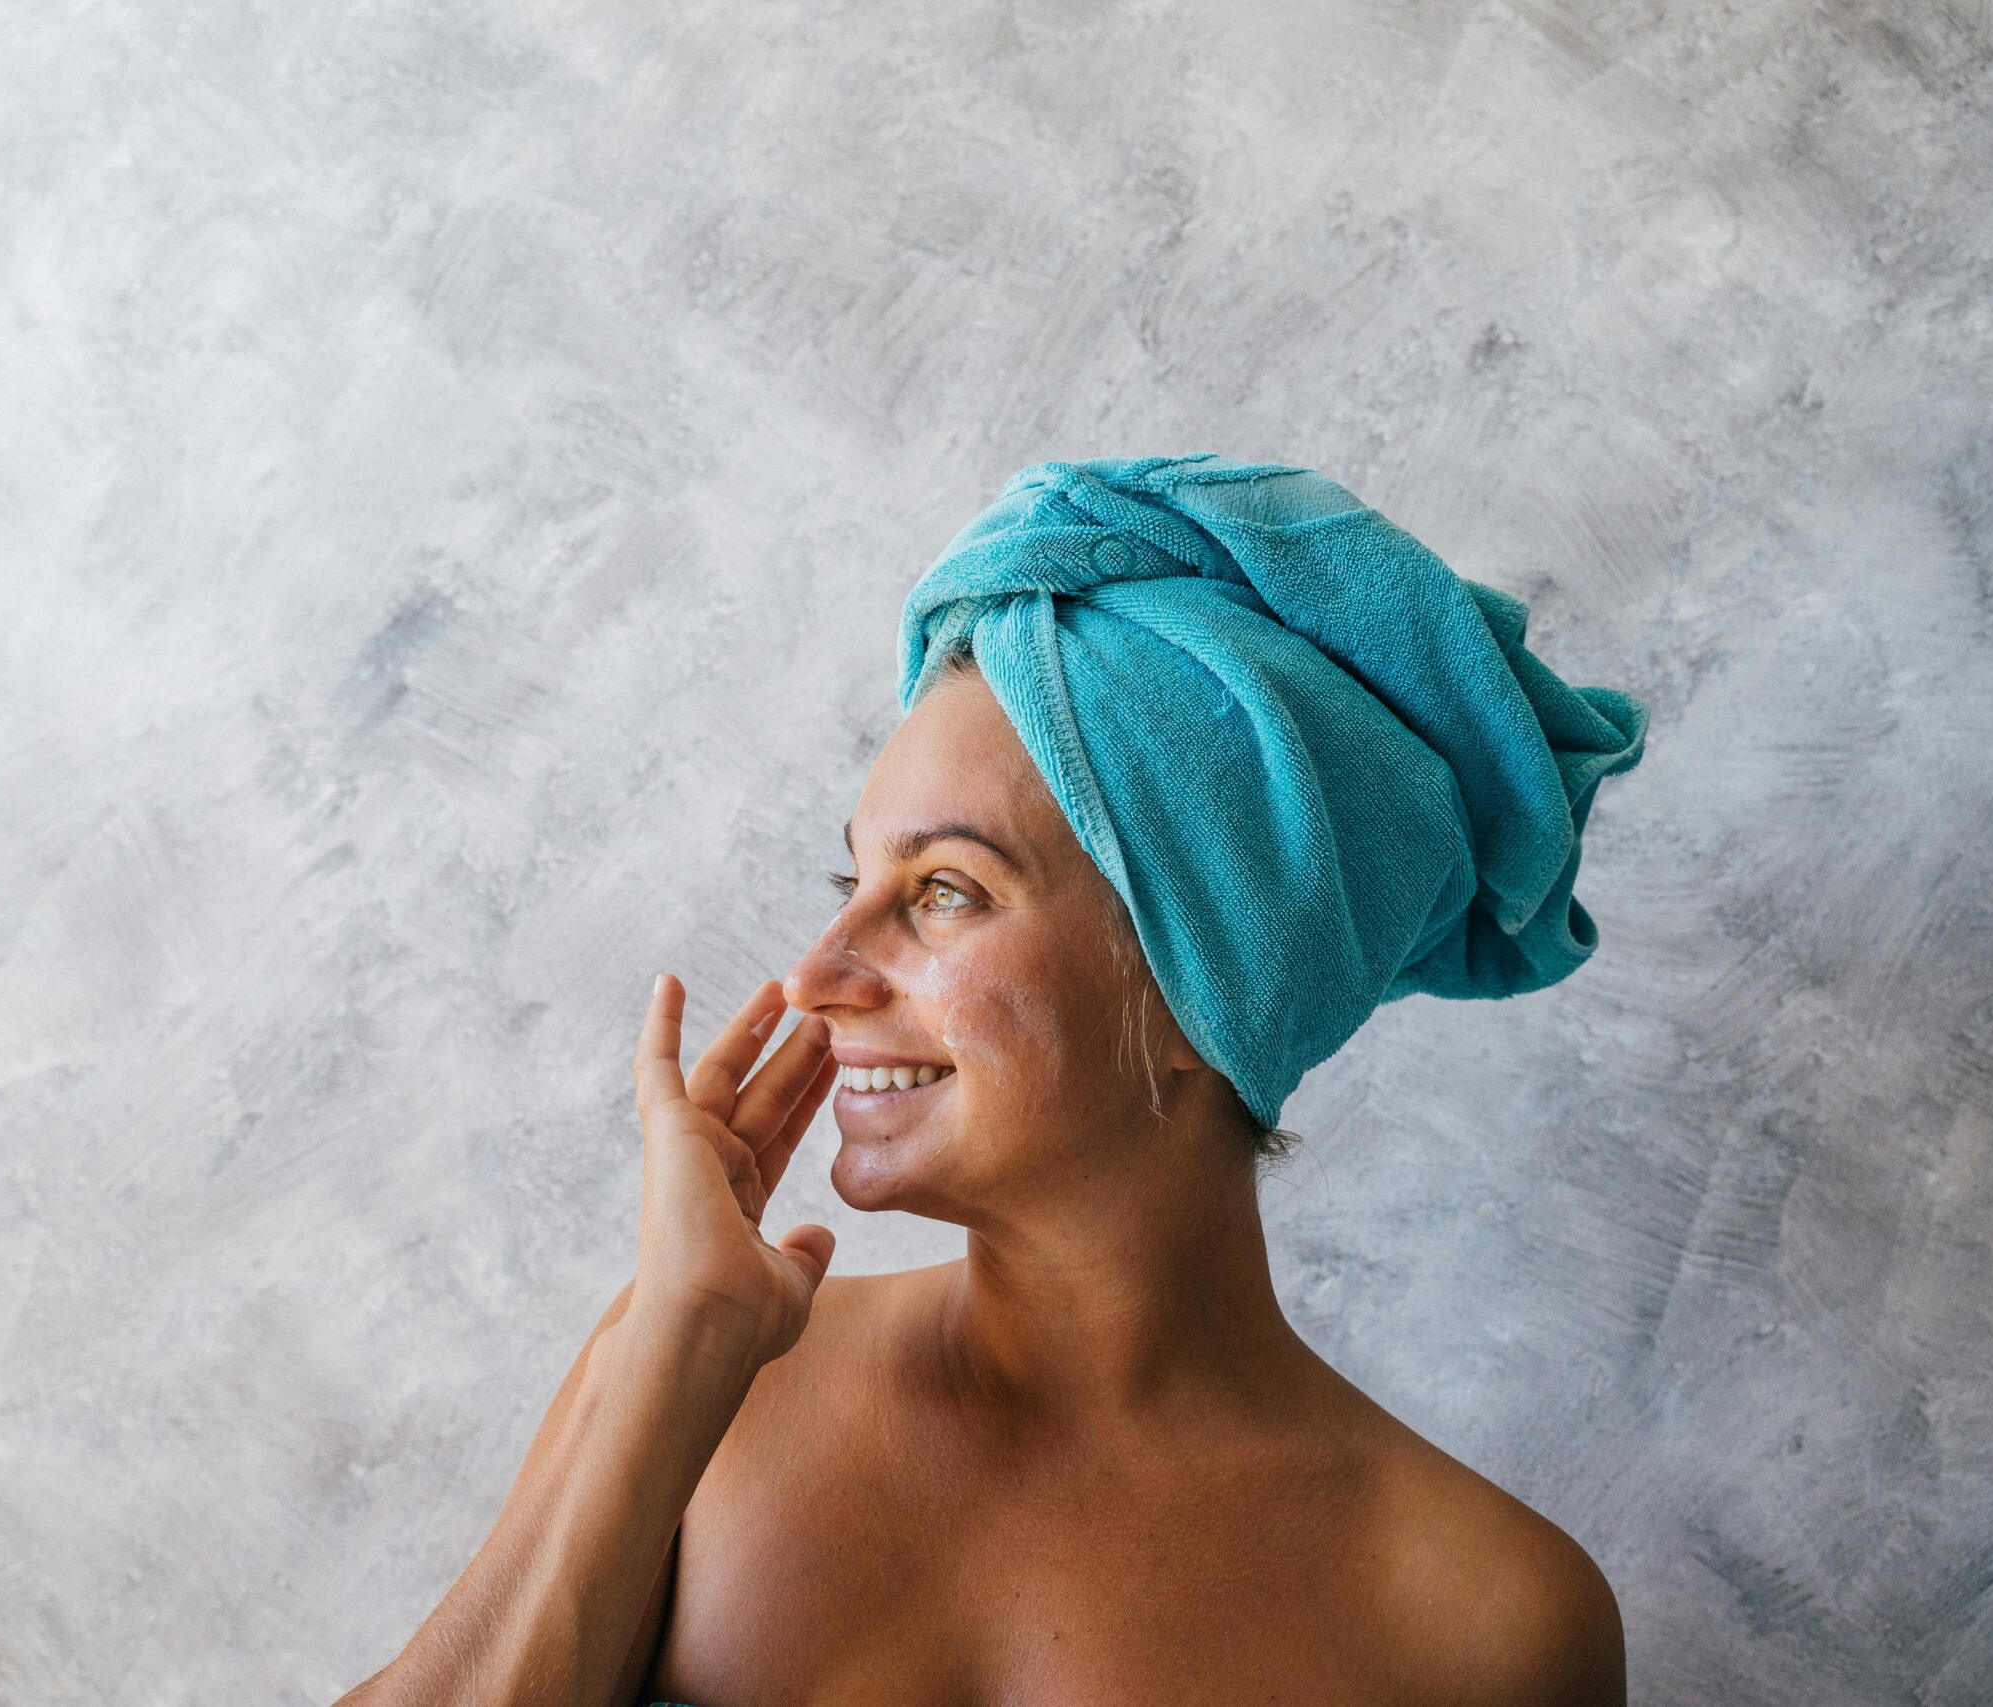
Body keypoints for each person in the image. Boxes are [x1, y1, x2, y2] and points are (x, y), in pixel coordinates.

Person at [337, 455, 1649, 1706]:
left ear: (1210, 988)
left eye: (943, 891)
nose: (818, 973)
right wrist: (667, 1363)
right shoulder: (709, 1375)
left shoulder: (1488, 1629)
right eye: (851, 883)